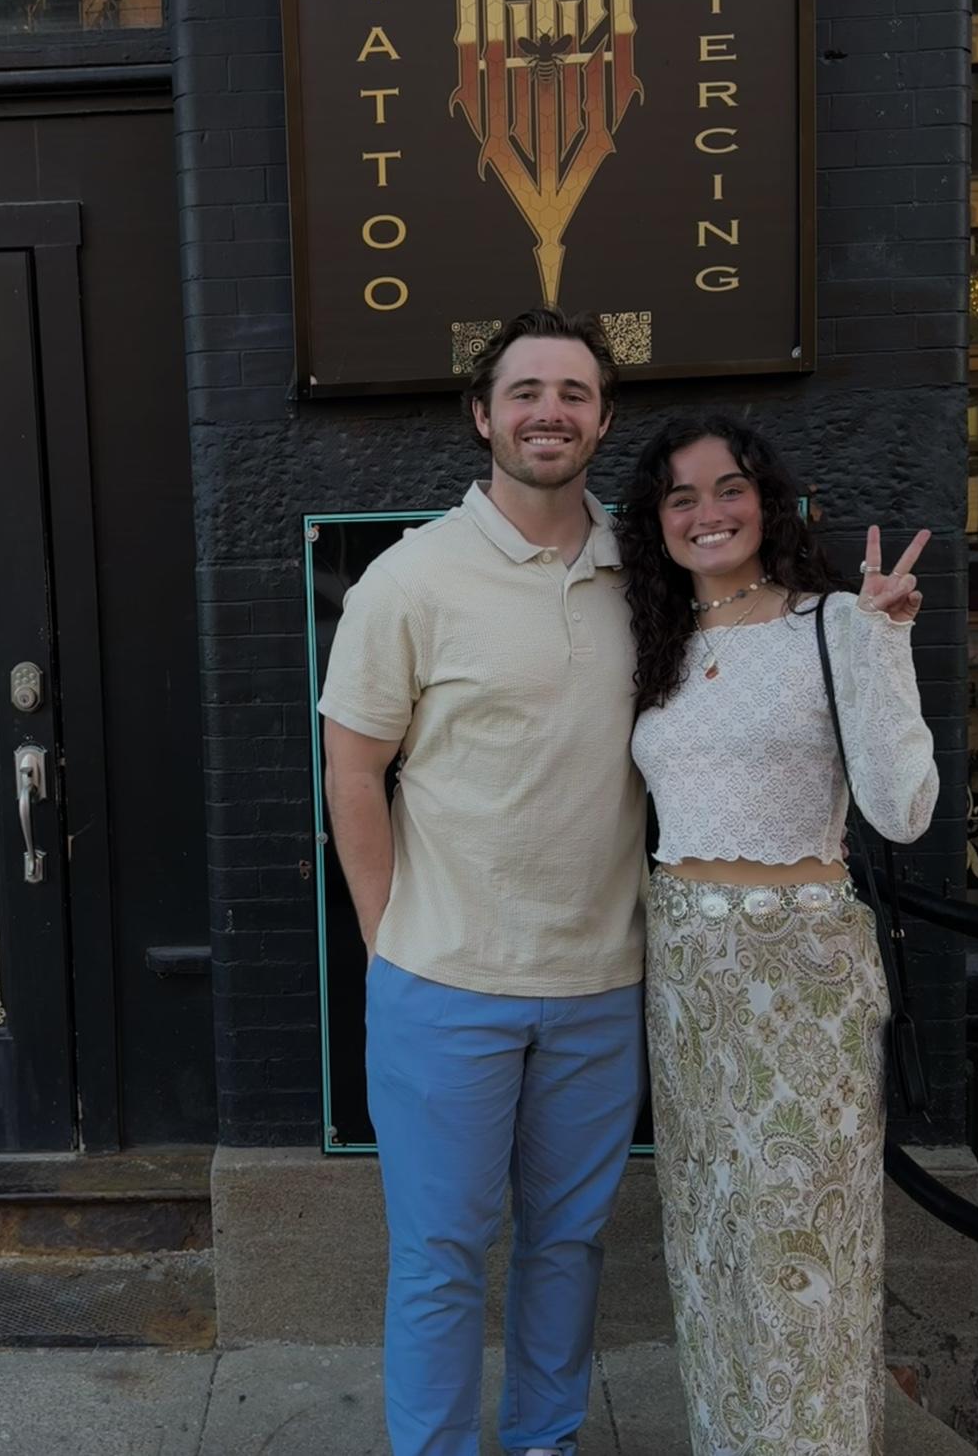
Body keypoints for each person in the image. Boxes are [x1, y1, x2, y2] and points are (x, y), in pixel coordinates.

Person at [318, 307, 647, 1456]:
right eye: (525, 392)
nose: (549, 412)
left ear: (603, 418)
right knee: (441, 1256)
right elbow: (353, 770)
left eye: (573, 392)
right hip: (444, 983)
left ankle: (546, 1440)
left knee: (569, 1247)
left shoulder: (644, 574)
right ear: (482, 415)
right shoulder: (410, 579)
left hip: (601, 984)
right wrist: (386, 940)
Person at [620, 415, 939, 1456]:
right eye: (681, 497)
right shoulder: (658, 643)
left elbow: (902, 813)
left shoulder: (834, 622)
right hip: (687, 978)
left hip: (802, 971)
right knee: (711, 1233)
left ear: (768, 501)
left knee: (807, 1239)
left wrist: (885, 643)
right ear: (657, 521)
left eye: (729, 488)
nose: (707, 513)